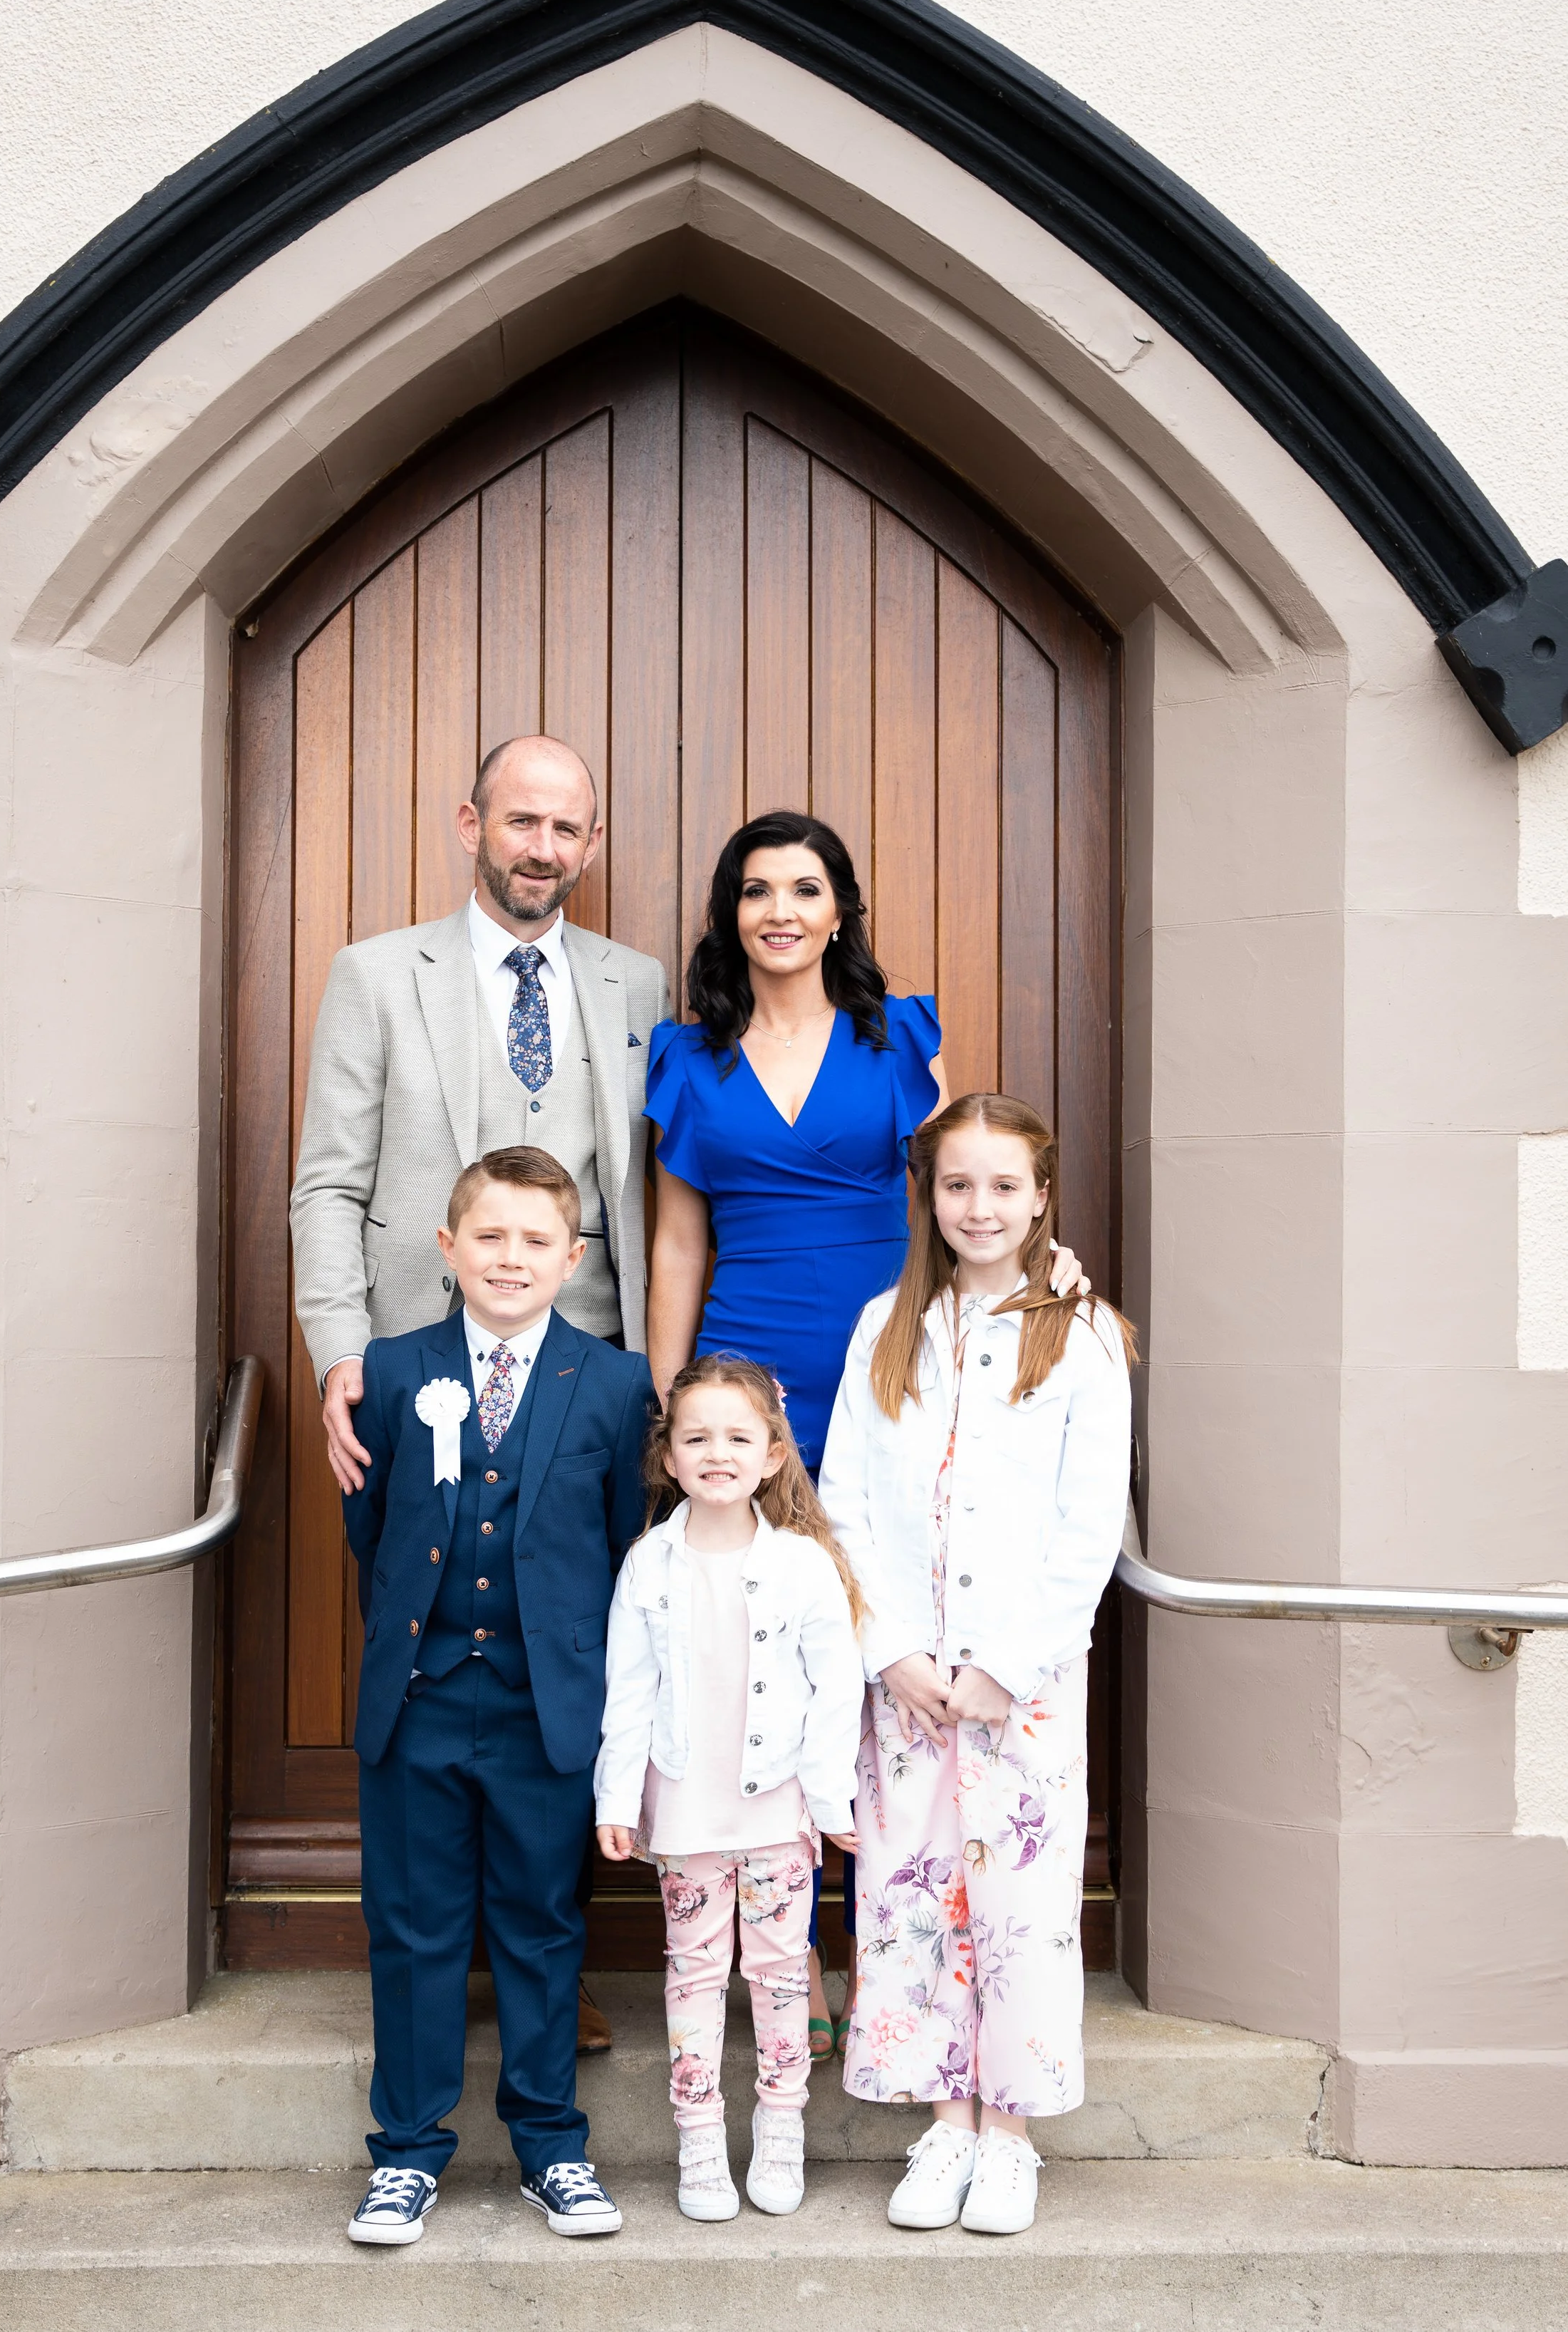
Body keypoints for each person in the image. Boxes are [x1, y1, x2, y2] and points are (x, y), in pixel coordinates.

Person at [642, 811, 1086, 2053]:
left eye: (805, 887)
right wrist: (675, 1403)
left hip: (889, 1382)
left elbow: (968, 1201)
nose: (779, 910)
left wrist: (1048, 1284)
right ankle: (746, 1939)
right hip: (747, 1386)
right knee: (746, 1660)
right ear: (732, 915)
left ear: (840, 910)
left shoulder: (898, 1041)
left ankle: (855, 1949)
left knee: (862, 1672)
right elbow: (679, 1240)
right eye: (755, 891)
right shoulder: (688, 1056)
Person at [292, 730, 667, 2054]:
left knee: (567, 1655)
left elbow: (651, 1201)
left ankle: (539, 1978)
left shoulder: (636, 983)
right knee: (427, 1648)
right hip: (414, 1378)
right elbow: (330, 1182)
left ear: (592, 844)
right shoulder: (377, 974)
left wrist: (655, 1379)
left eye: (567, 829)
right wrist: (343, 1351)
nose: (542, 850)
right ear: (470, 823)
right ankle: (432, 1975)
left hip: (585, 1387)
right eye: (520, 822)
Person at [819, 1094, 1134, 2238]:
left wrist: (1010, 1664)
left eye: (1006, 1185)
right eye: (959, 1185)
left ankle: (1010, 2136)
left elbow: (1086, 1524)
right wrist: (889, 1647)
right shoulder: (888, 1327)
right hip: (907, 1680)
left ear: (1043, 1195)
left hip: (1022, 1688)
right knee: (914, 1897)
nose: (982, 1206)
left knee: (1016, 1902)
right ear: (930, 1196)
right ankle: (947, 2119)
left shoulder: (1082, 1337)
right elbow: (843, 1497)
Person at [341, 1146, 657, 2247]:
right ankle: (409, 2154)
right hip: (418, 1701)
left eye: (535, 1241)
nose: (510, 1258)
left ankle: (551, 2146)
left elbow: (626, 1547)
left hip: (546, 1706)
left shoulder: (616, 1383)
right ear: (448, 1247)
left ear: (572, 1258)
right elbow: (371, 1535)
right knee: (415, 1927)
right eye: (490, 1237)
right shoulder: (391, 1370)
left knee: (539, 1924)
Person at [594, 1357, 865, 2221]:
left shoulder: (804, 1566)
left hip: (777, 1808)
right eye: (696, 1436)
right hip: (685, 1809)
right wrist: (615, 1799)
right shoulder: (648, 1564)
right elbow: (627, 1691)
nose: (717, 1452)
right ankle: (700, 2136)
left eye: (738, 1436)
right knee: (697, 1970)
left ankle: (780, 2127)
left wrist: (829, 1802)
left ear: (774, 1452)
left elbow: (837, 1693)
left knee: (784, 1972)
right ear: (667, 1457)